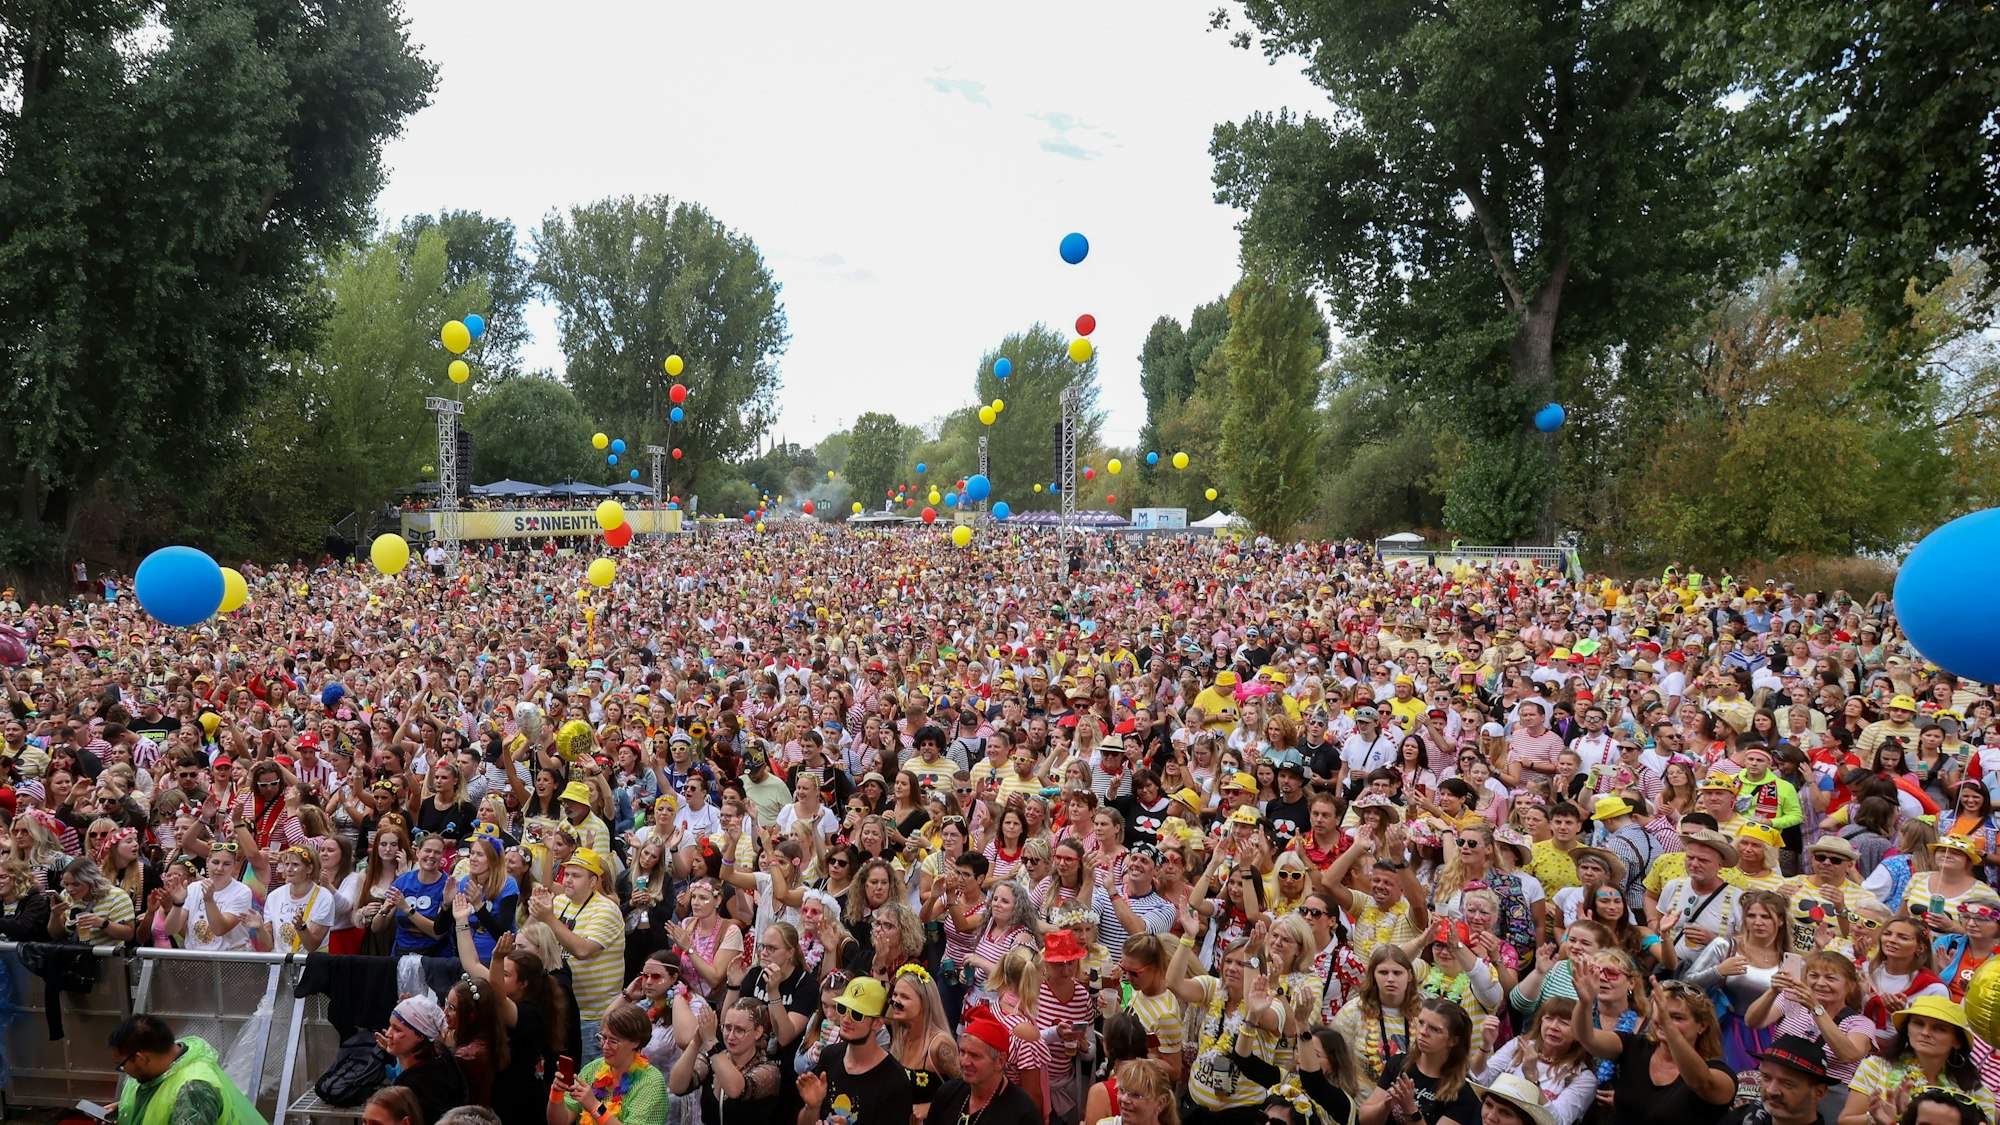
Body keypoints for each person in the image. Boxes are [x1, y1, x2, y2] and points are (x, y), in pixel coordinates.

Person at [1573, 975, 1736, 1125]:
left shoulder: (1718, 1073)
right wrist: (1585, 1003)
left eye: (1677, 1017)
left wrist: (1667, 1025)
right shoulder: (1635, 1046)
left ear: (1702, 1026)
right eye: (1663, 1014)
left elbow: (1700, 1082)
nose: (1665, 1021)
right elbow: (1587, 1037)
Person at [529, 848, 626, 1059]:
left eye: (576, 875)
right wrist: (535, 913)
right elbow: (531, 940)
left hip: (593, 1016)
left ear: (593, 882)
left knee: (587, 1081)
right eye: (567, 874)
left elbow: (582, 950)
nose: (568, 880)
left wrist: (548, 918)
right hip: (562, 1010)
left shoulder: (606, 909)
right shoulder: (561, 901)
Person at [1837, 996, 1996, 1124]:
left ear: (1958, 1041)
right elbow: (1845, 1121)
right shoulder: (1874, 1067)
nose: (1925, 1032)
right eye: (1918, 1024)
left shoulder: (1977, 1093)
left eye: (1939, 1028)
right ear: (1907, 1029)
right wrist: (1876, 1118)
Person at [109, 1013, 268, 1125]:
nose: (124, 1070)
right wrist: (128, 1109)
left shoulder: (193, 1091)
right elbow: (163, 1096)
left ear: (140, 1058)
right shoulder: (169, 1057)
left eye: (122, 1065)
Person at [797, 977, 914, 1125]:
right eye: (843, 1009)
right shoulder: (829, 1056)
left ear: (877, 1023)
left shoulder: (894, 1081)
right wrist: (812, 1108)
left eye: (857, 1015)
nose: (846, 1019)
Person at [1359, 998, 1481, 1125]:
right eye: (1421, 1023)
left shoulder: (1462, 1093)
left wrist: (1410, 1109)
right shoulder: (1398, 1064)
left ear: (1453, 1041)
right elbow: (1364, 1119)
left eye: (1434, 1029)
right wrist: (1386, 1105)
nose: (1423, 1032)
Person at [667, 996, 786, 1125]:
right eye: (727, 1027)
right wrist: (695, 1042)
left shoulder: (769, 1070)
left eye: (740, 1030)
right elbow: (677, 1087)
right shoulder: (711, 1058)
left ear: (757, 1032)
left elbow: (736, 1089)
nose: (730, 1036)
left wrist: (711, 1041)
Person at [548, 1002, 668, 1125]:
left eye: (613, 1041)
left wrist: (595, 1107)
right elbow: (559, 1122)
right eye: (603, 1038)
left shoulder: (651, 1083)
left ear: (635, 1042)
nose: (605, 1046)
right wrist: (556, 1094)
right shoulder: (593, 1069)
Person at [926, 1003, 1044, 1125]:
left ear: (1000, 1061)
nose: (964, 1061)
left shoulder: (1022, 1113)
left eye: (974, 1055)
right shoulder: (947, 1093)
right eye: (962, 1052)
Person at [376, 995, 469, 1125]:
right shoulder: (439, 1054)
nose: (388, 1033)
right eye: (390, 1026)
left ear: (420, 1036)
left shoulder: (414, 1085)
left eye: (397, 1029)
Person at [1721, 1036, 1832, 1125]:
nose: (1771, 1090)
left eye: (1787, 1083)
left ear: (1819, 1093)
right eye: (1766, 1077)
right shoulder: (1743, 1116)